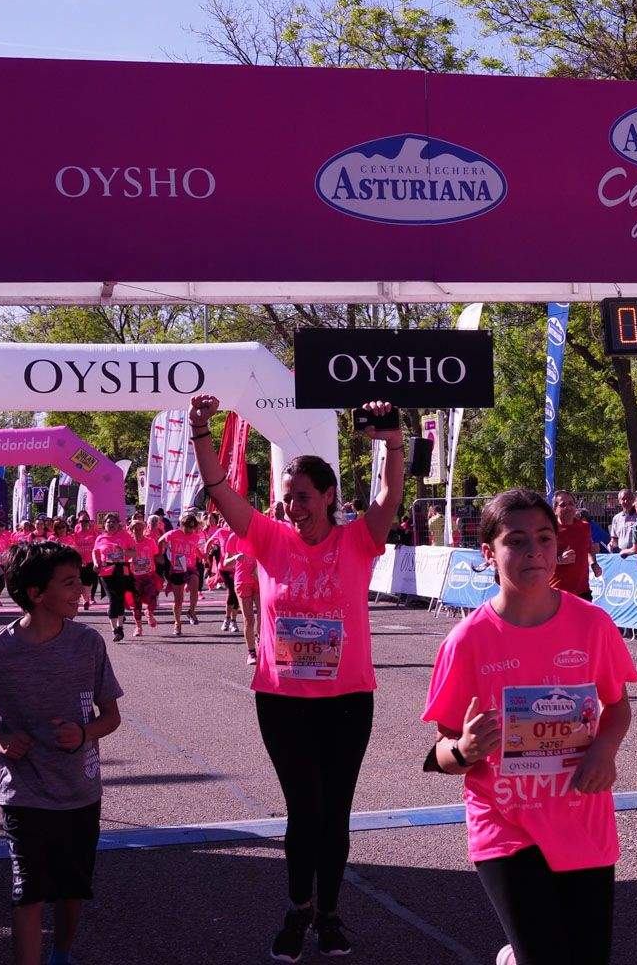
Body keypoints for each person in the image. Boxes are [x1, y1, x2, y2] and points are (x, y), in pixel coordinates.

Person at [190, 393, 404, 961]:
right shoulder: (266, 537)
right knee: (302, 810)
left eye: (303, 499)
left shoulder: (358, 540)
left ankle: (329, 914)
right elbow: (219, 491)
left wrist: (392, 441)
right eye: (287, 501)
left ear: (329, 496)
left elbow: (388, 496)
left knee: (334, 812)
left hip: (347, 700)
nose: (293, 509)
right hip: (283, 700)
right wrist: (201, 431)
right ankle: (297, 909)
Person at [422, 489, 637, 965]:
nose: (532, 552)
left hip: (582, 819)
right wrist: (465, 749)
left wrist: (605, 752)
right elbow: (440, 752)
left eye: (542, 538)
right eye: (515, 541)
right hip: (506, 823)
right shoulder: (468, 641)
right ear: (488, 553)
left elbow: (618, 707)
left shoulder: (592, 625)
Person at [0, 539, 124, 965]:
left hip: (80, 791)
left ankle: (61, 952)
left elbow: (110, 717)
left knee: (72, 891)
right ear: (37, 594)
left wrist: (83, 734)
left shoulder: (88, 644)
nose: (81, 589)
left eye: (79, 580)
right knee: (28, 892)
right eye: (69, 583)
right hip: (23, 795)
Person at [92, 513, 137, 644]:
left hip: (121, 568)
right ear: (104, 524)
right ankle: (115, 629)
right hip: (106, 571)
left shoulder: (125, 536)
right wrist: (96, 563)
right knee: (113, 598)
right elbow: (95, 552)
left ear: (118, 524)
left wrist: (123, 551)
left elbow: (134, 553)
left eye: (113, 522)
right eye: (108, 522)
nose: (110, 524)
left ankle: (120, 626)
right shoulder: (100, 538)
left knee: (120, 598)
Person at [552, 491, 603, 601]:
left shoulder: (584, 527)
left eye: (571, 503)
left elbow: (589, 549)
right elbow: (541, 558)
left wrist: (594, 564)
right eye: (563, 505)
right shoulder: (549, 530)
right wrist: (560, 560)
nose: (568, 507)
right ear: (555, 509)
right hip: (557, 593)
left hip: (582, 592)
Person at [159, 514, 204, 636]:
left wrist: (203, 557)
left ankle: (191, 611)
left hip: (190, 567)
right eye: (187, 527)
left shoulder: (195, 537)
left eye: (192, 528)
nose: (189, 530)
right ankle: (177, 623)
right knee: (178, 600)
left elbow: (194, 549)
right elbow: (161, 540)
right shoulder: (173, 534)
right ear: (182, 525)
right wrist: (161, 553)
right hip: (177, 568)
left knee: (195, 587)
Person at [222, 528, 260, 664]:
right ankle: (251, 653)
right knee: (249, 619)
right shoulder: (234, 537)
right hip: (242, 580)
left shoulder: (260, 534)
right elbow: (226, 563)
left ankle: (261, 642)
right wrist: (235, 557)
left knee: (262, 616)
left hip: (259, 579)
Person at [127, 518, 160, 633]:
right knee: (136, 604)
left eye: (140, 528)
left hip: (148, 575)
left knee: (152, 597)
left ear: (144, 529)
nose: (138, 531)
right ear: (131, 530)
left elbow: (155, 553)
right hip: (134, 577)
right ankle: (138, 627)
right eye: (135, 529)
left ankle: (149, 613)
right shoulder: (129, 543)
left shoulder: (150, 541)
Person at [70, 515, 98, 612]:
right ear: (79, 522)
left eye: (86, 521)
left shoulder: (93, 533)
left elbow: (97, 546)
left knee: (89, 582)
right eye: (82, 521)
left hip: (91, 561)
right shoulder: (75, 534)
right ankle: (86, 600)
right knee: (80, 581)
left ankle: (86, 598)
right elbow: (73, 547)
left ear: (89, 522)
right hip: (80, 561)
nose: (84, 523)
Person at [607, 489, 637, 554]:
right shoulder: (616, 518)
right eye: (623, 499)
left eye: (629, 498)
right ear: (619, 501)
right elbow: (614, 540)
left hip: (636, 555)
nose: (626, 501)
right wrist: (611, 544)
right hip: (622, 555)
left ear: (633, 499)